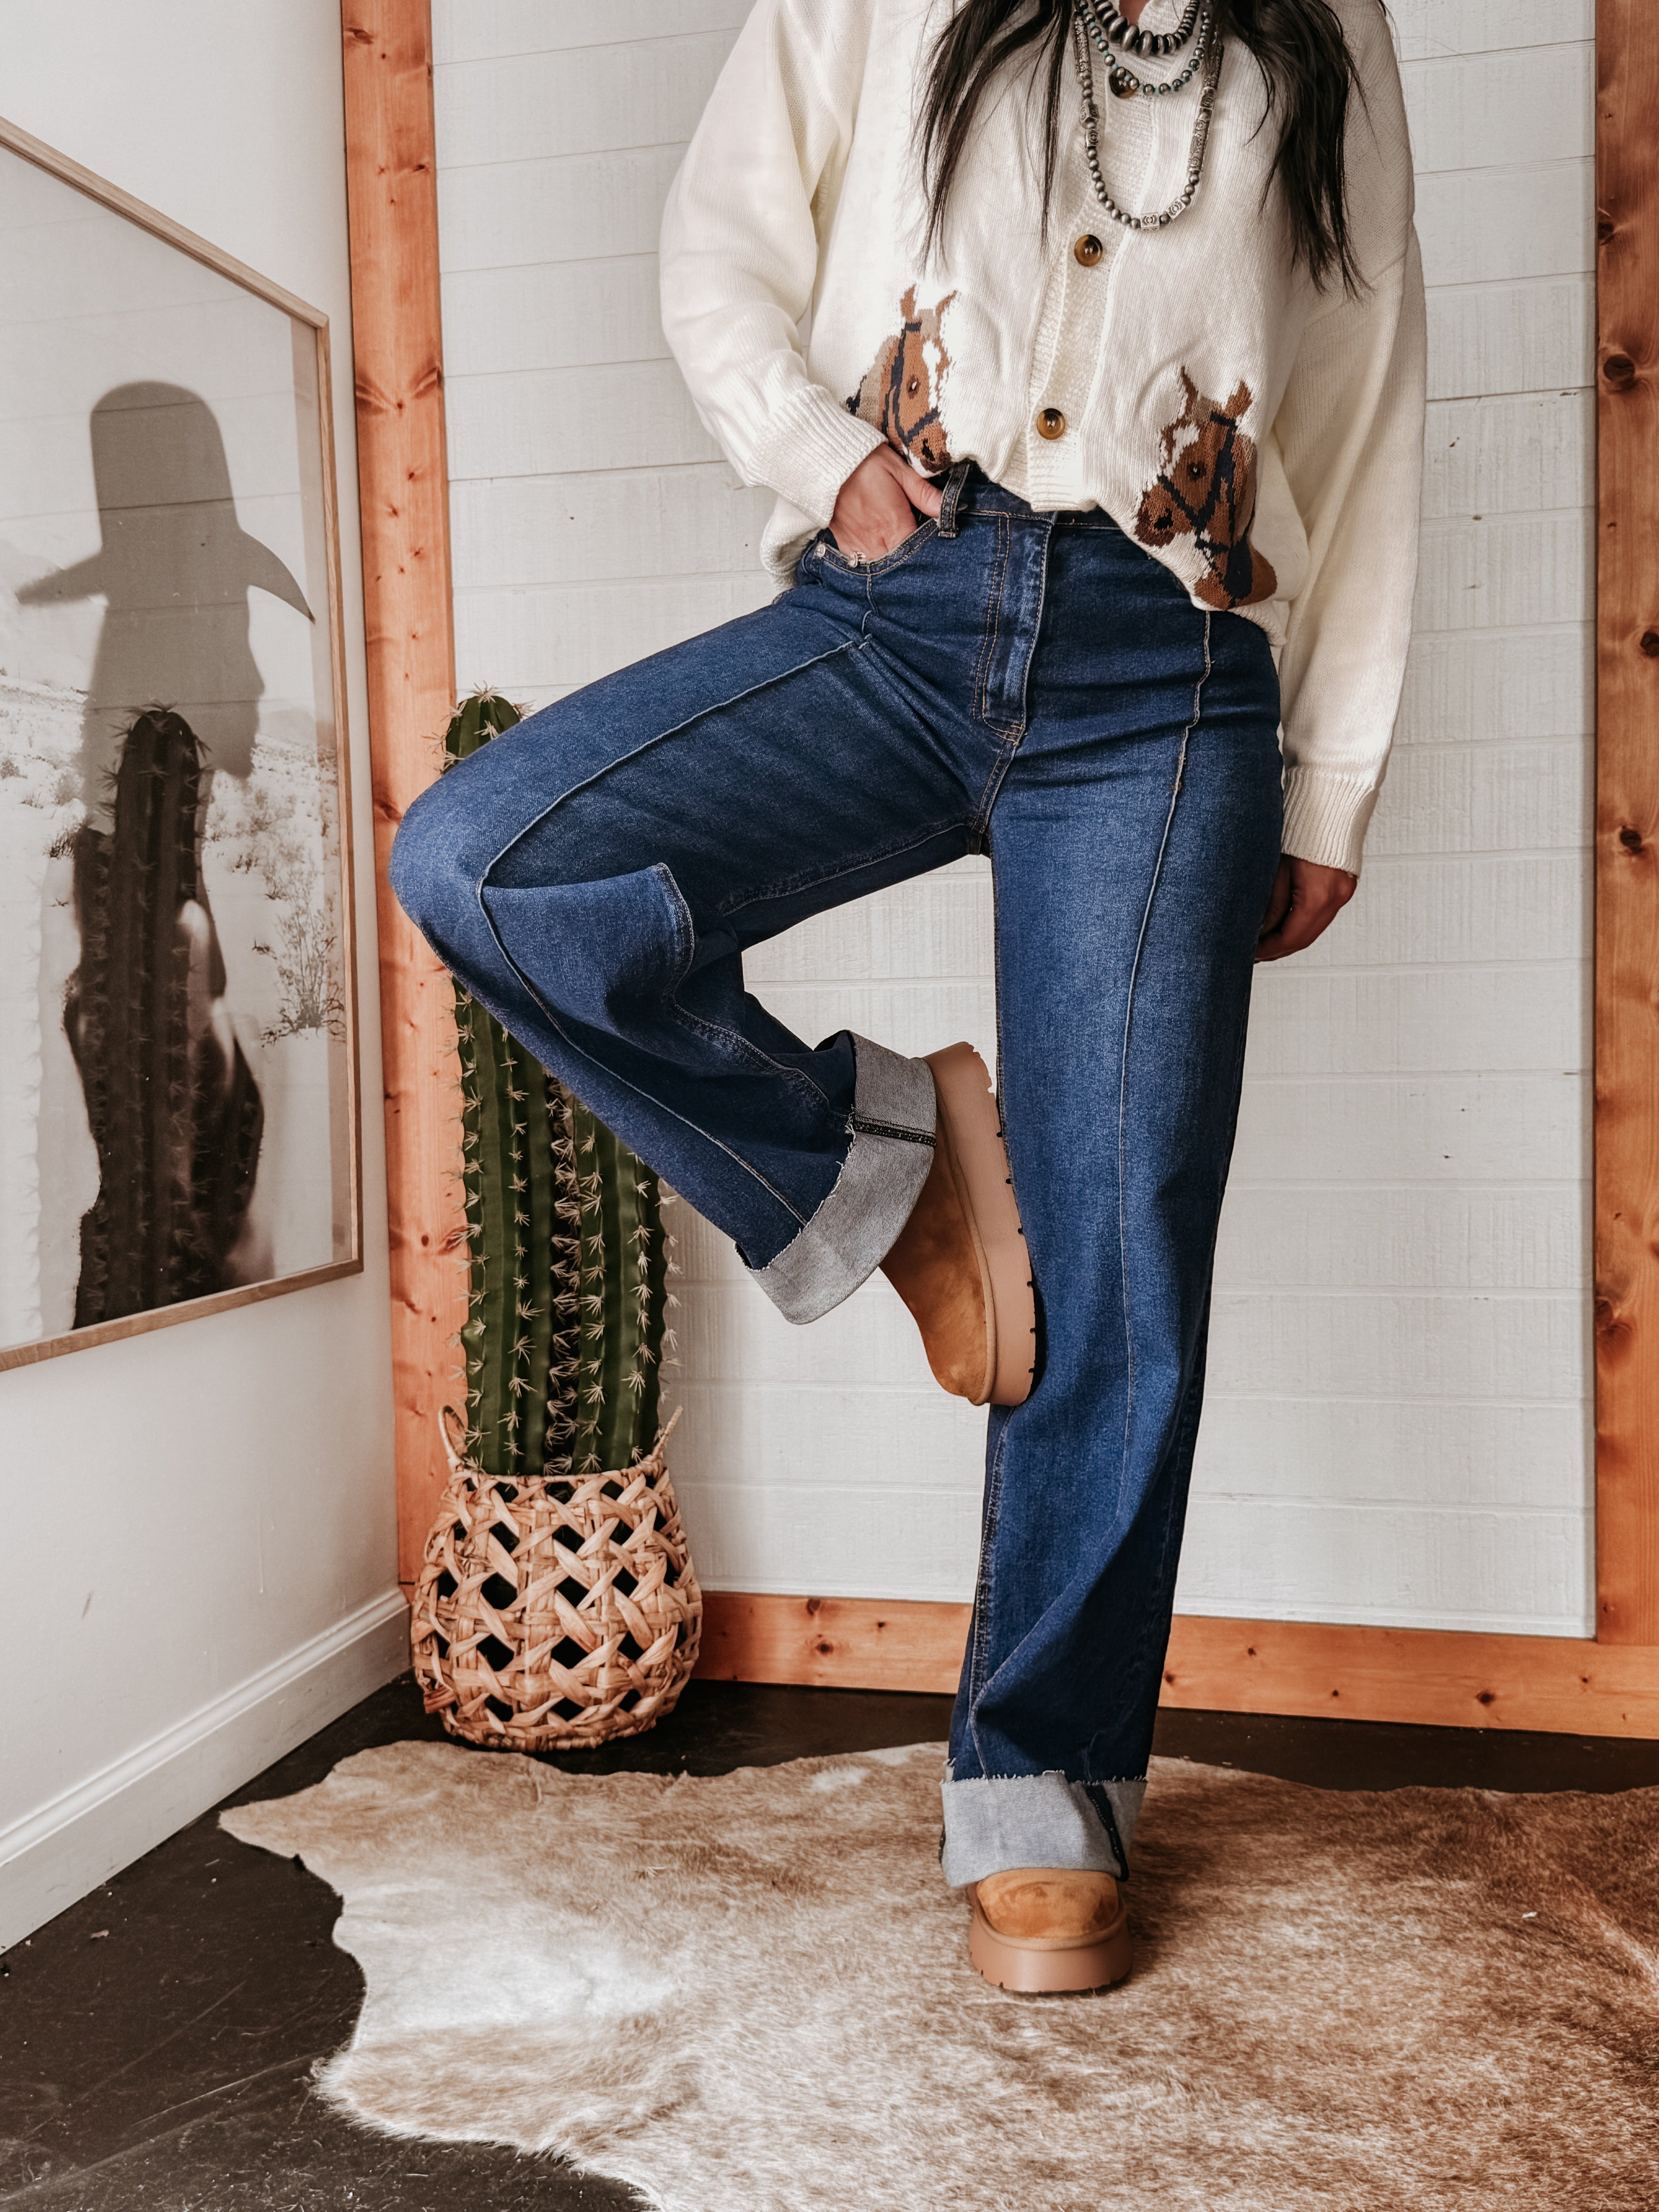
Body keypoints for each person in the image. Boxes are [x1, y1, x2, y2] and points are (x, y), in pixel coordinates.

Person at [391, 0, 1424, 1994]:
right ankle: (899, 1177)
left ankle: (1045, 1788)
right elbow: (724, 238)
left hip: (1173, 670)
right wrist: (818, 452)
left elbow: (1372, 390)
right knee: (497, 866)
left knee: (1123, 1238)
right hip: (896, 601)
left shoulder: (1329, 26)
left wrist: (1339, 773)